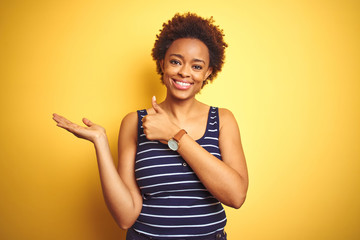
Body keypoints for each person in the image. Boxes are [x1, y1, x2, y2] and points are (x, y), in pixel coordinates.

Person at [53, 13, 248, 240]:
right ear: (162, 63)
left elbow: (236, 196)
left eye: (196, 66)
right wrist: (100, 143)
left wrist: (174, 136)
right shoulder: (133, 123)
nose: (184, 72)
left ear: (208, 73)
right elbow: (125, 217)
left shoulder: (223, 120)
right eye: (176, 61)